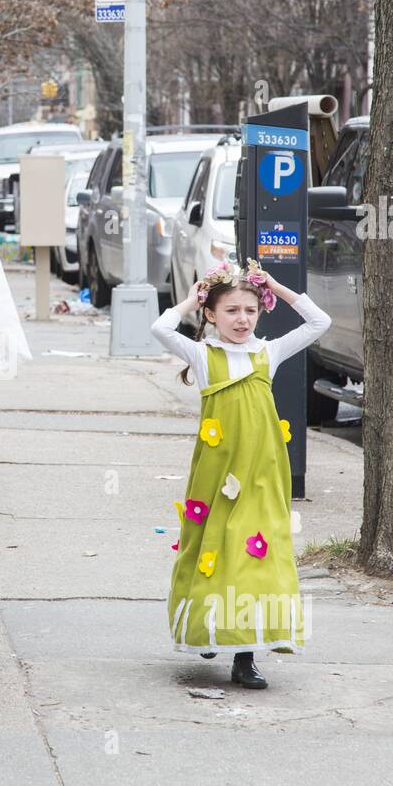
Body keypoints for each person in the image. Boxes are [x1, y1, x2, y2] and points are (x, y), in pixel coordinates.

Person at [150, 259, 331, 689]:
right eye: (231, 310)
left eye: (250, 310)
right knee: (213, 551)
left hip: (261, 473)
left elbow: (318, 321)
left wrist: (276, 286)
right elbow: (160, 328)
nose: (242, 319)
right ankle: (210, 626)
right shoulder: (203, 353)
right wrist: (189, 301)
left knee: (253, 558)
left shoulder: (267, 352)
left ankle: (245, 657)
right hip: (215, 476)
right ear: (211, 315)